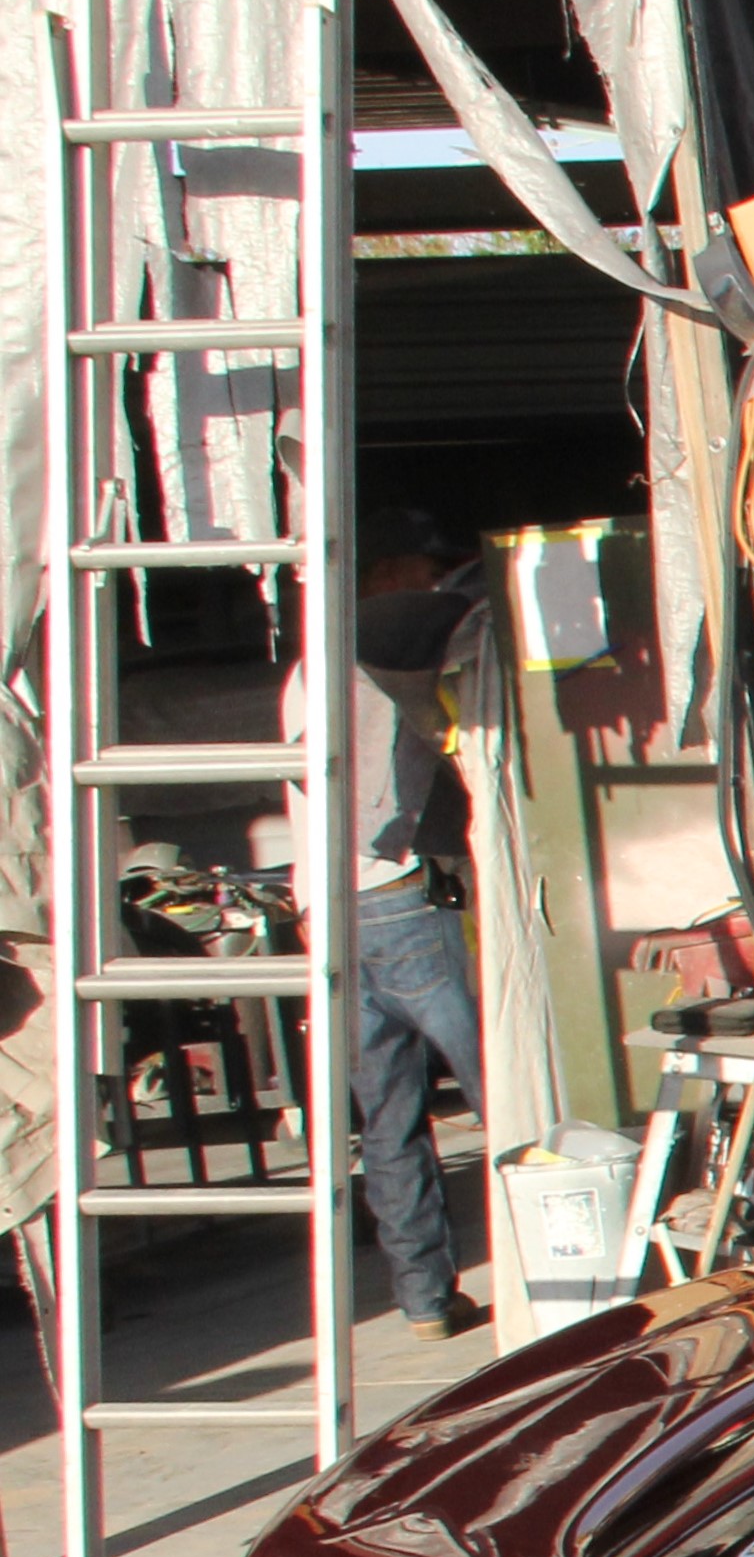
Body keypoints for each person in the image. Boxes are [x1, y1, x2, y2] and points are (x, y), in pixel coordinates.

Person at [295, 513, 489, 1339]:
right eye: (424, 570)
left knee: (390, 1116)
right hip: (401, 895)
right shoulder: (386, 652)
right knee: (500, 1088)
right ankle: (557, 1265)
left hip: (329, 911)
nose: (435, 586)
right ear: (383, 579)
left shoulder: (311, 669)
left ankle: (423, 1297)